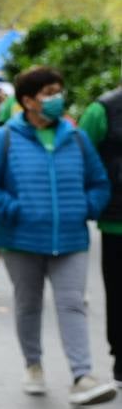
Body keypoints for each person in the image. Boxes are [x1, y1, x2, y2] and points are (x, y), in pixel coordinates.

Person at [0, 67, 116, 406]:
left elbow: (99, 182)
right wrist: (14, 210)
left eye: (58, 91)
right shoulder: (4, 138)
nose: (57, 98)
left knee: (72, 304)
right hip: (20, 240)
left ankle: (82, 377)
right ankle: (33, 365)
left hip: (70, 238)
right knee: (29, 305)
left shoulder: (76, 137)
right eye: (48, 92)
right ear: (28, 100)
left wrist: (86, 207)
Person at [78, 87, 122, 390]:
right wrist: (93, 203)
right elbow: (79, 157)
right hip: (117, 221)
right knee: (120, 293)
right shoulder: (104, 109)